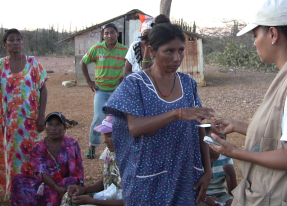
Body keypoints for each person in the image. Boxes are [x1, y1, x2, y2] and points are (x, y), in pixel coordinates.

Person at [210, 0, 287, 205]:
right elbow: (286, 135)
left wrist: (237, 152)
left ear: (273, 34)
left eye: (256, 35)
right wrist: (238, 126)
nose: (254, 42)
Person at [102, 23, 215, 205]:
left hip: (185, 173)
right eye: (169, 51)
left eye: (181, 50)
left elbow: (199, 127)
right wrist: (176, 114)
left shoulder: (188, 83)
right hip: (147, 176)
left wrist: (207, 170)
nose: (177, 58)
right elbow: (135, 128)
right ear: (152, 51)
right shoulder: (134, 84)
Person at [0, 28, 48, 201]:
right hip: (8, 124)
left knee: (33, 156)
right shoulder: (0, 65)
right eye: (11, 40)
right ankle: (16, 193)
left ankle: (34, 192)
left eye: (18, 39)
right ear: (5, 44)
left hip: (30, 122)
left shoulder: (33, 63)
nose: (15, 42)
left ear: (22, 43)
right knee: (12, 159)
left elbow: (42, 89)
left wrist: (41, 117)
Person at [10, 112, 84, 206]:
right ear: (45, 127)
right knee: (17, 180)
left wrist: (79, 187)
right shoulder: (38, 147)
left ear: (65, 127)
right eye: (50, 124)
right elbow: (41, 171)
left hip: (65, 184)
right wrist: (56, 187)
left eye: (58, 124)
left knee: (71, 182)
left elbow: (78, 170)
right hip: (45, 184)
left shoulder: (71, 143)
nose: (54, 128)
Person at [80, 23, 128, 159]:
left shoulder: (124, 50)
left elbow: (130, 65)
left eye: (112, 32)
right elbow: (83, 62)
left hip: (117, 91)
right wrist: (89, 81)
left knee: (118, 119)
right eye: (106, 33)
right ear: (103, 35)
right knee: (99, 118)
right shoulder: (96, 49)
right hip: (101, 90)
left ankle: (117, 147)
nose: (110, 36)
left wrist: (124, 78)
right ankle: (92, 146)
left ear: (117, 34)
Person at [61, 115, 123, 206]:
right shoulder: (111, 154)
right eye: (105, 136)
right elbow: (107, 181)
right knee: (69, 197)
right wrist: (84, 189)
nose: (105, 141)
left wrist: (93, 201)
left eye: (109, 136)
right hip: (109, 197)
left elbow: (132, 201)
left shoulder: (131, 160)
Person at [201, 127, 236, 206]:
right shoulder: (198, 160)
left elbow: (232, 192)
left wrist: (232, 174)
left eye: (221, 139)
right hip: (201, 195)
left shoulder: (226, 158)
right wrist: (206, 198)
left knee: (232, 203)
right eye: (212, 138)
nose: (216, 142)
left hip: (221, 194)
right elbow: (192, 188)